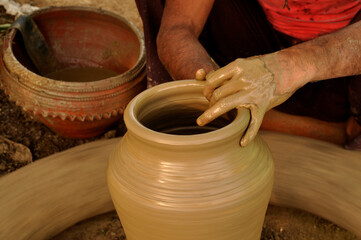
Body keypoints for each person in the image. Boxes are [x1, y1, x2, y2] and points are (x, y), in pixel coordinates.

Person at [134, 0, 361, 149]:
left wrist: (283, 69)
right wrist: (216, 89)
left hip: (342, 70)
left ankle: (349, 134)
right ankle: (183, 118)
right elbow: (179, 27)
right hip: (254, 50)